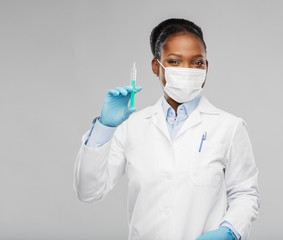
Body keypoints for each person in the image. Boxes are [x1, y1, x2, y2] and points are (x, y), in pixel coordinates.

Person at [73, 18, 260, 240]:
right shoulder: (132, 127)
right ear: (156, 66)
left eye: (197, 63)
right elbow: (88, 191)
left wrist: (230, 231)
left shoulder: (229, 127)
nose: (187, 70)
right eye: (174, 61)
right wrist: (104, 127)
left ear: (206, 67)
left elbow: (245, 194)